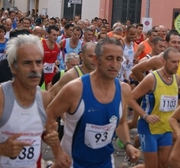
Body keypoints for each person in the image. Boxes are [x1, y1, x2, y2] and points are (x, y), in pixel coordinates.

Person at [0, 34, 68, 168]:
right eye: (27, 63)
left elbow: (46, 131)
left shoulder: (44, 98)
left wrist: (58, 151)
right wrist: (0, 149)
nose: (34, 69)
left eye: (38, 62)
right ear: (13, 68)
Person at [45, 38, 141, 167]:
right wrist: (58, 152)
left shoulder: (124, 89)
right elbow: (48, 116)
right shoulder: (75, 88)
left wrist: (128, 144)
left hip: (105, 162)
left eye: (118, 59)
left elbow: (121, 122)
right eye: (109, 58)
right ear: (96, 60)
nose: (114, 64)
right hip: (72, 162)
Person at [128, 47, 180, 168]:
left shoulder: (176, 79)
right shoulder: (152, 78)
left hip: (166, 128)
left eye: (178, 62)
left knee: (163, 165)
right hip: (149, 129)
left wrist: (179, 114)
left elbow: (171, 102)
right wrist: (145, 116)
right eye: (173, 62)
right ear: (163, 61)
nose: (176, 65)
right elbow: (130, 98)